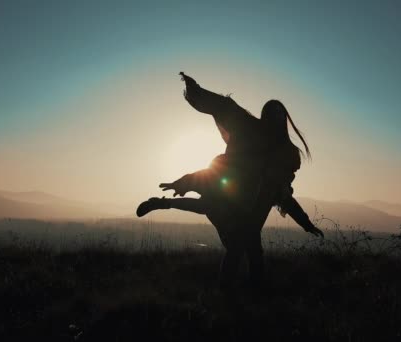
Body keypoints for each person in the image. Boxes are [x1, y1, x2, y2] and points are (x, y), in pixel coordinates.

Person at [137, 73, 322, 287]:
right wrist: (197, 92)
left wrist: (306, 222)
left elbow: (282, 193)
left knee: (246, 246)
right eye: (272, 113)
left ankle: (245, 295)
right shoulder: (254, 134)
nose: (277, 117)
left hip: (253, 207)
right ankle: (236, 294)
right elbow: (226, 108)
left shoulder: (285, 153)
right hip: (237, 197)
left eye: (280, 113)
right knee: (225, 227)